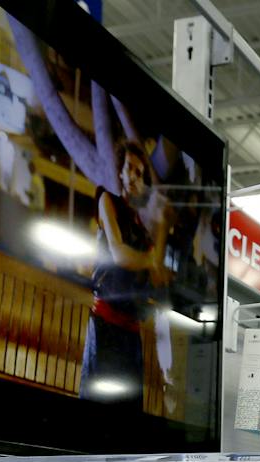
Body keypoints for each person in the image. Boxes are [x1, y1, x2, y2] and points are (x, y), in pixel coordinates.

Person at [80, 139, 169, 407]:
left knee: (128, 414)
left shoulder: (143, 229)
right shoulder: (108, 200)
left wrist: (163, 228)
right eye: (129, 168)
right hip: (106, 325)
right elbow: (119, 254)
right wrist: (151, 260)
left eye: (139, 173)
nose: (132, 176)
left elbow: (156, 275)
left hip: (131, 333)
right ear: (120, 170)